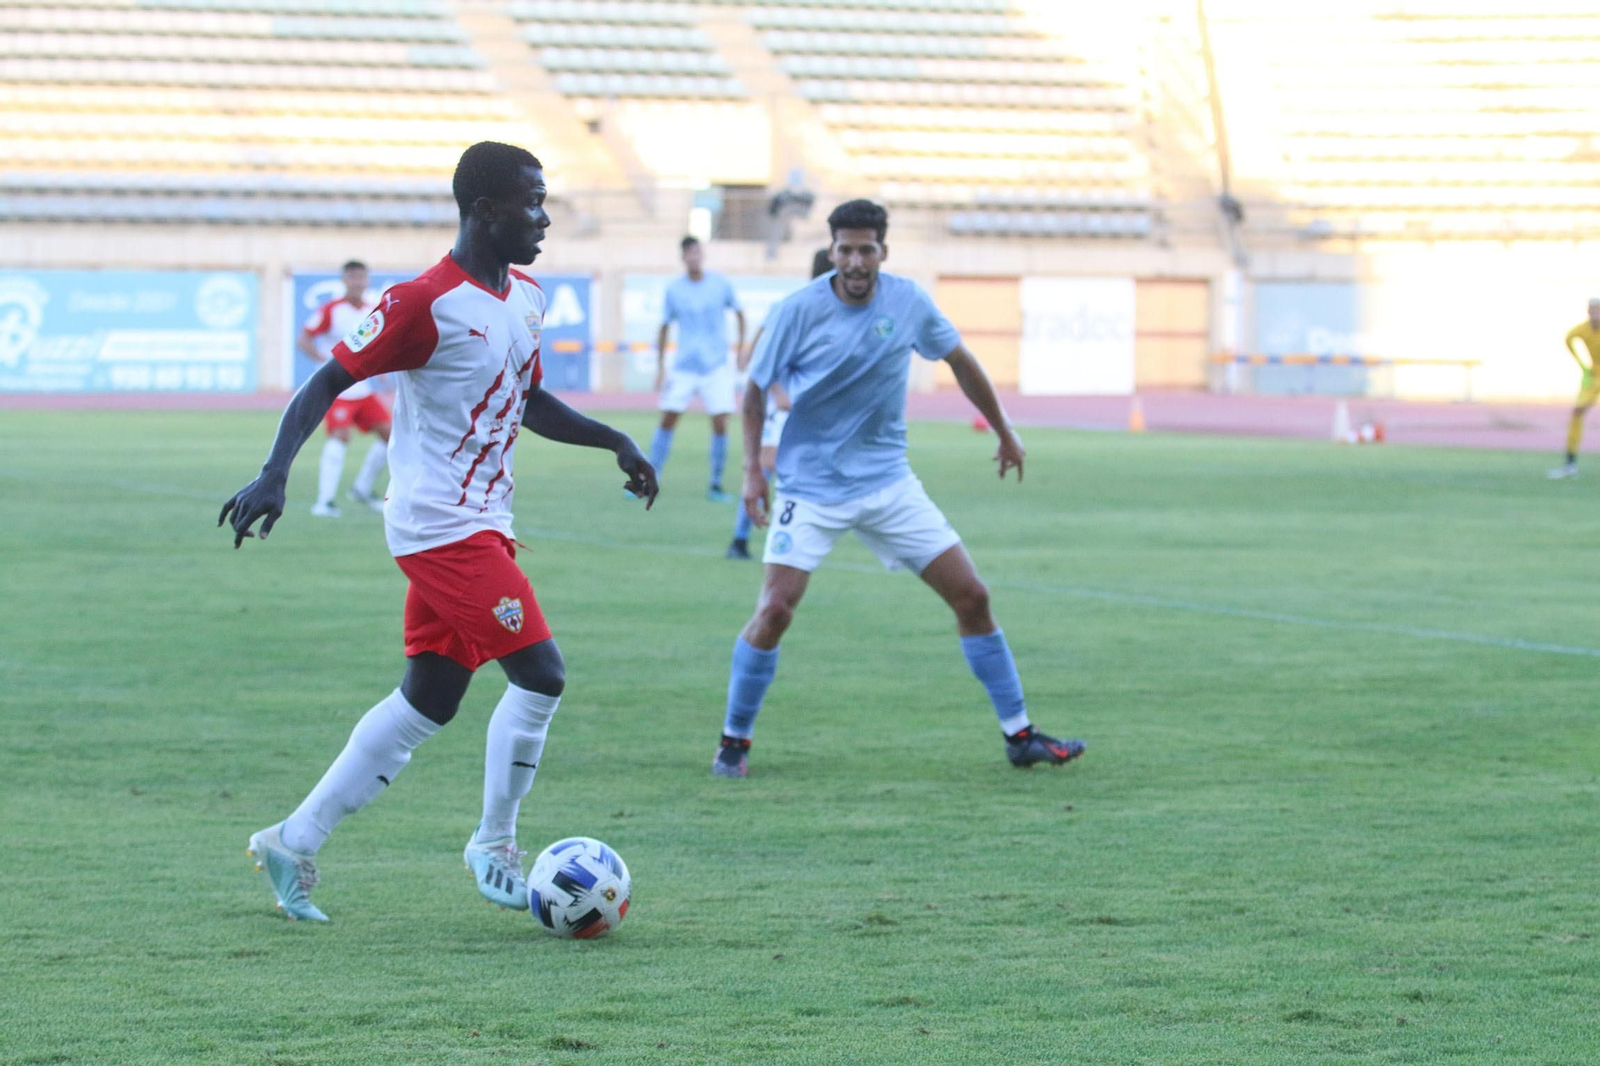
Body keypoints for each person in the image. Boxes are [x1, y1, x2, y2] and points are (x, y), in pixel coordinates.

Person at [219, 141, 659, 921]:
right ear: (485, 210)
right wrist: (277, 470)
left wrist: (614, 442)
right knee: (543, 675)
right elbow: (327, 378)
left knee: (428, 699)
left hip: (485, 523)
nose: (545, 218)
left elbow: (527, 400)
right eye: (532, 202)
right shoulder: (423, 301)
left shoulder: (525, 295)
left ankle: (293, 837)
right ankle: (494, 841)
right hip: (439, 527)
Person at [712, 199, 1084, 778]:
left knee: (973, 597)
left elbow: (960, 361)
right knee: (775, 610)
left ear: (883, 251)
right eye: (845, 250)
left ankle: (1021, 735)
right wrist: (751, 471)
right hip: (809, 489)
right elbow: (756, 390)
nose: (856, 261)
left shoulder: (908, 301)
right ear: (831, 251)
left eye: (866, 249)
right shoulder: (797, 311)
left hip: (889, 484)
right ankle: (734, 740)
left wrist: (1006, 430)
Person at [726, 247, 831, 560]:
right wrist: (777, 393)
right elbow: (760, 359)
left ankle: (795, 542)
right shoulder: (789, 308)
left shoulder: (837, 313)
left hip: (813, 411)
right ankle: (740, 539)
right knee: (768, 468)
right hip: (783, 409)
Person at [646, 236, 746, 501]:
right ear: (683, 257)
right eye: (688, 253)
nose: (694, 257)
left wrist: (741, 350)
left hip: (715, 366)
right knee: (668, 418)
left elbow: (740, 313)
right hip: (685, 366)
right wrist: (660, 367)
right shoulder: (674, 289)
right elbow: (664, 326)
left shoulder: (720, 284)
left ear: (702, 254)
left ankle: (715, 484)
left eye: (697, 251)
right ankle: (649, 476)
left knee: (721, 422)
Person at [297, 260, 389, 516]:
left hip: (362, 388)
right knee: (340, 437)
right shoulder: (331, 310)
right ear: (344, 281)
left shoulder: (372, 312)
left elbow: (375, 347)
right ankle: (324, 501)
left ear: (367, 281)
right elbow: (303, 338)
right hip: (337, 388)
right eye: (352, 278)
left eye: (361, 277)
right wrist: (322, 361)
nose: (357, 282)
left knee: (390, 435)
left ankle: (362, 488)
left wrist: (380, 372)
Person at [1548, 298, 1600, 479]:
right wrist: (1582, 365)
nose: (1595, 313)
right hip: (1594, 377)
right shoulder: (1583, 330)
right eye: (1592, 310)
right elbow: (1568, 339)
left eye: (1598, 310)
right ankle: (1570, 463)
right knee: (1577, 412)